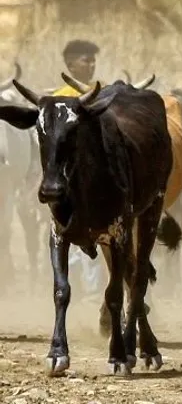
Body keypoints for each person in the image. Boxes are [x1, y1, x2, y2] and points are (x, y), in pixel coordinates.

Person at [53, 40, 104, 297]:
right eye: (86, 59)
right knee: (69, 237)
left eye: (93, 60)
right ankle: (82, 293)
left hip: (99, 180)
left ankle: (96, 293)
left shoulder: (103, 92)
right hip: (67, 184)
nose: (91, 64)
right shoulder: (59, 99)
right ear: (71, 64)